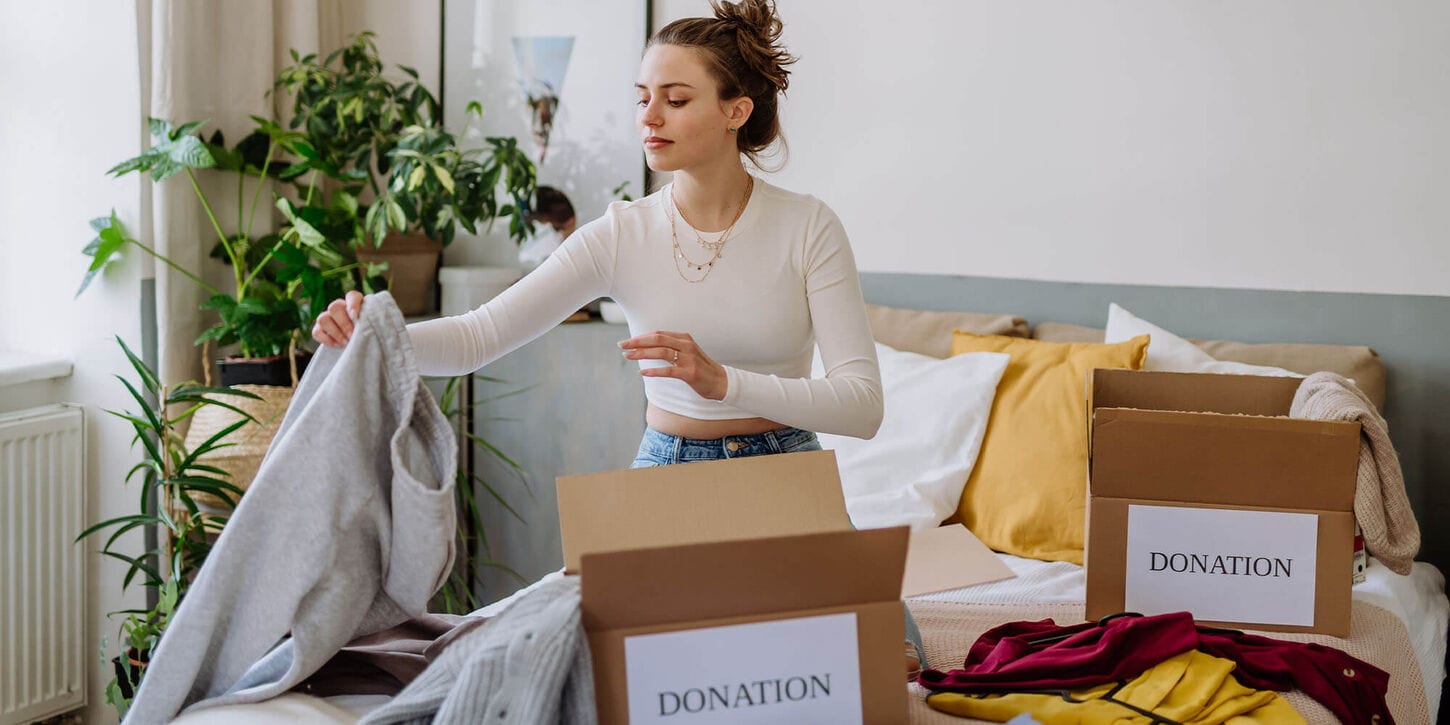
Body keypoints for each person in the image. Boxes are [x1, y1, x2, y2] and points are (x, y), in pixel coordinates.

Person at [312, 0, 921, 675]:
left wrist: (724, 382)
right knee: (599, 673)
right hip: (667, 477)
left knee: (882, 664)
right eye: (642, 98)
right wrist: (379, 332)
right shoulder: (621, 234)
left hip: (787, 475)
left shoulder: (809, 228)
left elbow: (863, 405)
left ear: (735, 111)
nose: (649, 117)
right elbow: (479, 336)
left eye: (675, 98)